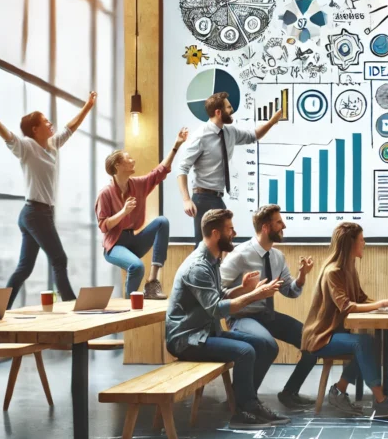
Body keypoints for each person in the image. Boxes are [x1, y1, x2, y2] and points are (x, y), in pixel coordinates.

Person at [165, 209, 291, 428]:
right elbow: (216, 309)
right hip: (188, 340)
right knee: (245, 351)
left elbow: (219, 296)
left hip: (207, 333)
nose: (234, 232)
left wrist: (243, 289)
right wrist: (255, 295)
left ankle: (247, 403)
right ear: (215, 234)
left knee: (267, 346)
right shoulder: (198, 267)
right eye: (230, 229)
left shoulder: (212, 259)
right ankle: (243, 412)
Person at [0, 91, 97, 308]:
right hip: (35, 213)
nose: (51, 124)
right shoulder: (26, 147)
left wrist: (88, 106)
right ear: (35, 129)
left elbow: (71, 127)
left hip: (37, 214)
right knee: (59, 259)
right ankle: (73, 307)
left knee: (24, 268)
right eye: (45, 121)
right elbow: (7, 136)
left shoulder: (52, 145)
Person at [300, 223, 388, 419]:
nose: (364, 243)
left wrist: (386, 306)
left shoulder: (349, 268)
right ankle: (381, 401)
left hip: (337, 334)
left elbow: (359, 298)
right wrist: (381, 303)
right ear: (351, 244)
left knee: (371, 343)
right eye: (361, 239)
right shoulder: (333, 271)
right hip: (321, 337)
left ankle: (339, 391)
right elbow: (347, 306)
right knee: (363, 342)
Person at [220, 205, 318, 410]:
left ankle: (289, 392)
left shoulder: (277, 256)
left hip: (266, 314)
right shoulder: (239, 255)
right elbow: (218, 292)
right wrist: (246, 290)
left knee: (313, 341)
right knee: (268, 345)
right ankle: (244, 400)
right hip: (242, 316)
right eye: (279, 222)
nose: (284, 225)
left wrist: (301, 277)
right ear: (266, 227)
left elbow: (290, 291)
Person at [96, 128, 189, 299]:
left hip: (133, 240)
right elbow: (103, 226)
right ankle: (128, 305)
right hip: (114, 245)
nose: (133, 160)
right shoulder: (105, 193)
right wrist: (124, 212)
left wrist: (176, 146)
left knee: (162, 221)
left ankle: (152, 282)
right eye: (128, 158)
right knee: (137, 267)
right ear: (117, 165)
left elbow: (159, 172)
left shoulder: (137, 185)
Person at [177, 92, 282, 244]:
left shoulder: (229, 132)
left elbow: (254, 135)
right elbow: (182, 168)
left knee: (223, 243)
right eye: (228, 107)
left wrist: (272, 122)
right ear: (218, 112)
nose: (232, 110)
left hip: (217, 198)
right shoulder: (201, 136)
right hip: (202, 198)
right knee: (203, 247)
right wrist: (186, 199)